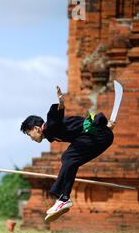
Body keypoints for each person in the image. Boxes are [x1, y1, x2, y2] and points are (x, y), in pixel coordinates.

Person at [20, 86, 116, 223]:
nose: (32, 139)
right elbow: (83, 122)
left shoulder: (49, 126)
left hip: (99, 136)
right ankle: (63, 198)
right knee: (71, 160)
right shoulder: (52, 132)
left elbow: (56, 115)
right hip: (101, 137)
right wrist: (106, 127)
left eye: (30, 135)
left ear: (36, 128)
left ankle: (63, 198)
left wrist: (60, 102)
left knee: (68, 157)